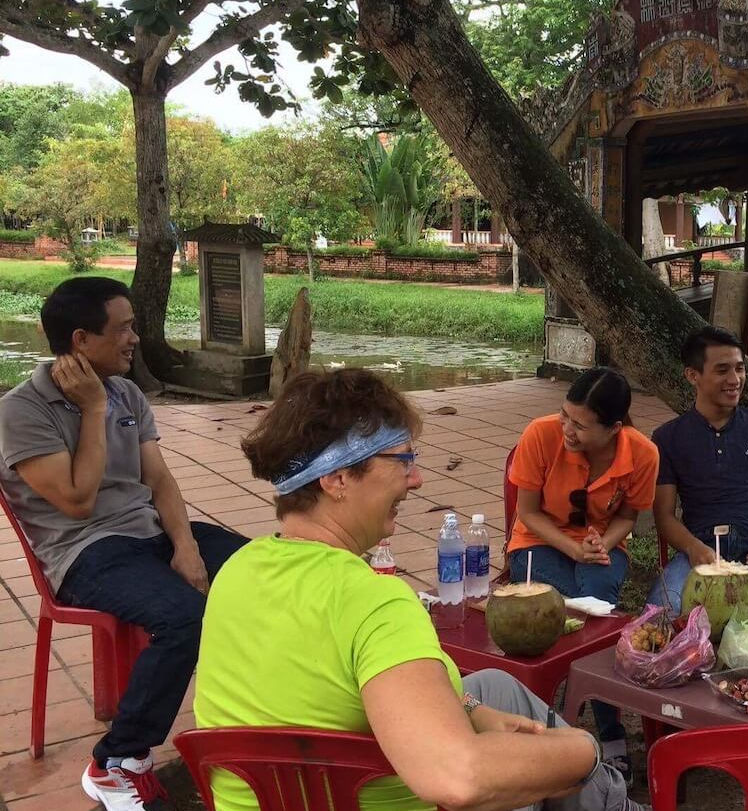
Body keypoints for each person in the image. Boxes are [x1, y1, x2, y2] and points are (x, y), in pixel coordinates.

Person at [194, 369, 639, 811]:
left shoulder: (236, 570)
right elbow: (457, 778)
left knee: (494, 688)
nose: (417, 479)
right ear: (337, 480)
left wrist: (471, 709)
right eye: (403, 461)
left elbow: (326, 686)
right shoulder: (373, 601)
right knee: (531, 765)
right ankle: (611, 795)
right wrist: (583, 749)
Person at [0, 278, 248, 811]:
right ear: (82, 340)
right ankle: (116, 761)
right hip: (84, 552)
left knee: (266, 568)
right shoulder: (21, 411)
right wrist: (92, 410)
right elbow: (77, 500)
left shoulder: (127, 392)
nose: (135, 337)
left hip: (148, 534)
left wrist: (184, 545)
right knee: (184, 617)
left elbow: (159, 481)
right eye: (124, 328)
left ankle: (258, 719)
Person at [507, 366, 658, 782]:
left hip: (603, 546)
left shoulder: (642, 453)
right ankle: (585, 731)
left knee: (596, 609)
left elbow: (627, 516)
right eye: (565, 416)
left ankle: (597, 733)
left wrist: (601, 545)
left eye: (581, 425)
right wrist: (574, 547)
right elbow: (528, 513)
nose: (568, 430)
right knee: (584, 617)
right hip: (537, 544)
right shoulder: (540, 434)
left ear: (614, 428)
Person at [646, 326, 748, 632]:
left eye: (740, 369)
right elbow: (664, 516)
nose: (735, 380)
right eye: (722, 370)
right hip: (699, 551)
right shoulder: (669, 437)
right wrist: (693, 547)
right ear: (692, 375)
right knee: (659, 624)